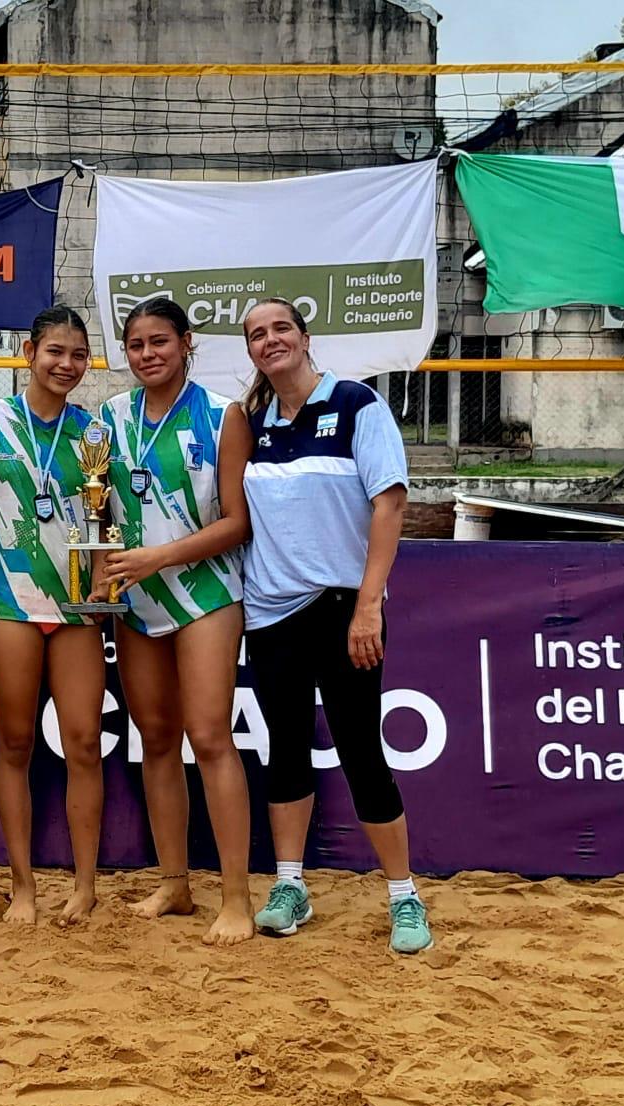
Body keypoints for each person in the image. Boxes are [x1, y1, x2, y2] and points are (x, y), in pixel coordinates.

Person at [237, 297, 434, 954]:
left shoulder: (354, 404)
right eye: (256, 334)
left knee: (360, 750)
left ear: (304, 335)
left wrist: (368, 603)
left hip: (342, 608)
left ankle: (403, 895)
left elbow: (390, 501)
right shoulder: (253, 422)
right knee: (285, 750)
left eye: (279, 328)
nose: (270, 341)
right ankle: (290, 885)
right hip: (269, 612)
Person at [0, 306, 104, 926]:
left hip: (78, 604)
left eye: (79, 355)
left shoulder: (97, 432)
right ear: (30, 351)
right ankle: (24, 886)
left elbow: (109, 519)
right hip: (7, 600)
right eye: (55, 352)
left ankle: (85, 885)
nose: (66, 365)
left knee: (84, 742)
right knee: (15, 741)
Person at [95, 296, 255, 946]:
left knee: (210, 737)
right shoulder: (109, 417)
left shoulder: (223, 414)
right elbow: (97, 506)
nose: (147, 354)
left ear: (186, 342)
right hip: (136, 599)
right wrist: (97, 552)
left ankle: (238, 897)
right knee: (155, 740)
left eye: (159, 341)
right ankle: (174, 881)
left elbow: (237, 521)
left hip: (204, 592)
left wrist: (159, 556)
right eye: (135, 344)